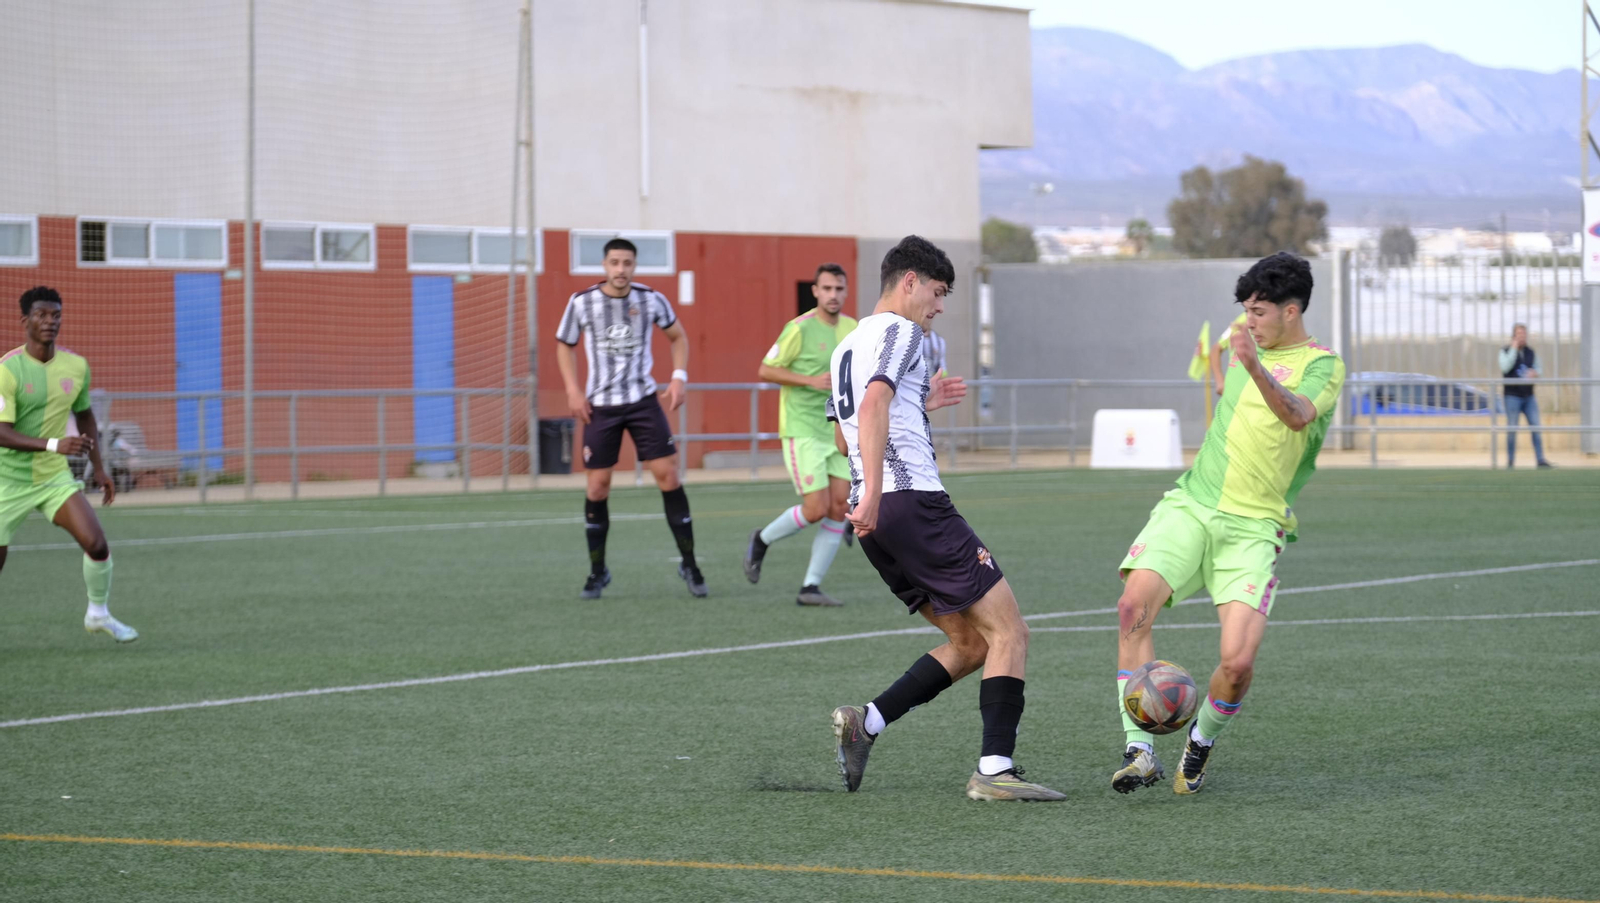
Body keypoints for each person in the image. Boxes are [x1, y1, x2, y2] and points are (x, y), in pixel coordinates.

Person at [828, 235, 1064, 802]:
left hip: (877, 519)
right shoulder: (902, 332)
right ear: (908, 281)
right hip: (908, 503)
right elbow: (876, 404)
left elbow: (843, 436)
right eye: (937, 292)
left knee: (970, 642)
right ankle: (995, 770)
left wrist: (917, 405)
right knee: (1010, 631)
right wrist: (882, 491)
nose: (939, 307)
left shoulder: (845, 347)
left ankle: (868, 723)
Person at [1111, 252, 1344, 796]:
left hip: (1255, 527)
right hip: (1192, 504)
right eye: (1245, 310)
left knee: (1236, 664)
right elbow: (1225, 389)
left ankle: (1200, 744)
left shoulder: (1323, 364)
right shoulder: (1242, 346)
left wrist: (1253, 365)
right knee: (1131, 608)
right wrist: (1225, 366)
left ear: (1292, 311)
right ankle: (1139, 750)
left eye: (1259, 311)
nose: (1249, 321)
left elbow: (1296, 415)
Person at [555, 238, 707, 600]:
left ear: (634, 265)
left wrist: (678, 377)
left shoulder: (650, 298)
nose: (620, 269)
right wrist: (573, 391)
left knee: (668, 476)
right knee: (597, 487)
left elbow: (678, 337)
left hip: (642, 401)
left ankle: (690, 564)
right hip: (601, 405)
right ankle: (597, 572)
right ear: (604, 265)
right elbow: (564, 344)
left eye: (627, 263)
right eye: (614, 263)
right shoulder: (582, 302)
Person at [0, 287, 135, 642]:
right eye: (42, 315)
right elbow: (1, 432)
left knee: (97, 543)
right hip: (5, 480)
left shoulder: (76, 366)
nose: (50, 322)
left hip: (52, 478)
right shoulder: (7, 369)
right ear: (25, 320)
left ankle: (98, 615)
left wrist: (100, 468)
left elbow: (85, 416)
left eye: (56, 315)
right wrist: (55, 444)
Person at [743, 264, 858, 607]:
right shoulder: (799, 328)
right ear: (816, 291)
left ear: (846, 291)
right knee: (816, 507)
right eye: (827, 288)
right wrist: (809, 381)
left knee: (839, 507)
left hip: (834, 428)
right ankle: (761, 540)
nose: (833, 295)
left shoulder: (853, 328)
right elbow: (765, 369)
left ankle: (810, 587)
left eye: (839, 288)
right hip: (802, 429)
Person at [1499, 324, 1552, 469]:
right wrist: (1514, 349)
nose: (1522, 337)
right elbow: (1505, 367)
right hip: (1512, 396)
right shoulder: (1505, 351)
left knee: (1536, 426)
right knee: (1512, 429)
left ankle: (1540, 460)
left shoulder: (1531, 352)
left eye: (1524, 334)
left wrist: (1536, 373)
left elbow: (1538, 368)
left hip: (1529, 396)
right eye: (1519, 334)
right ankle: (1510, 462)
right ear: (1514, 336)